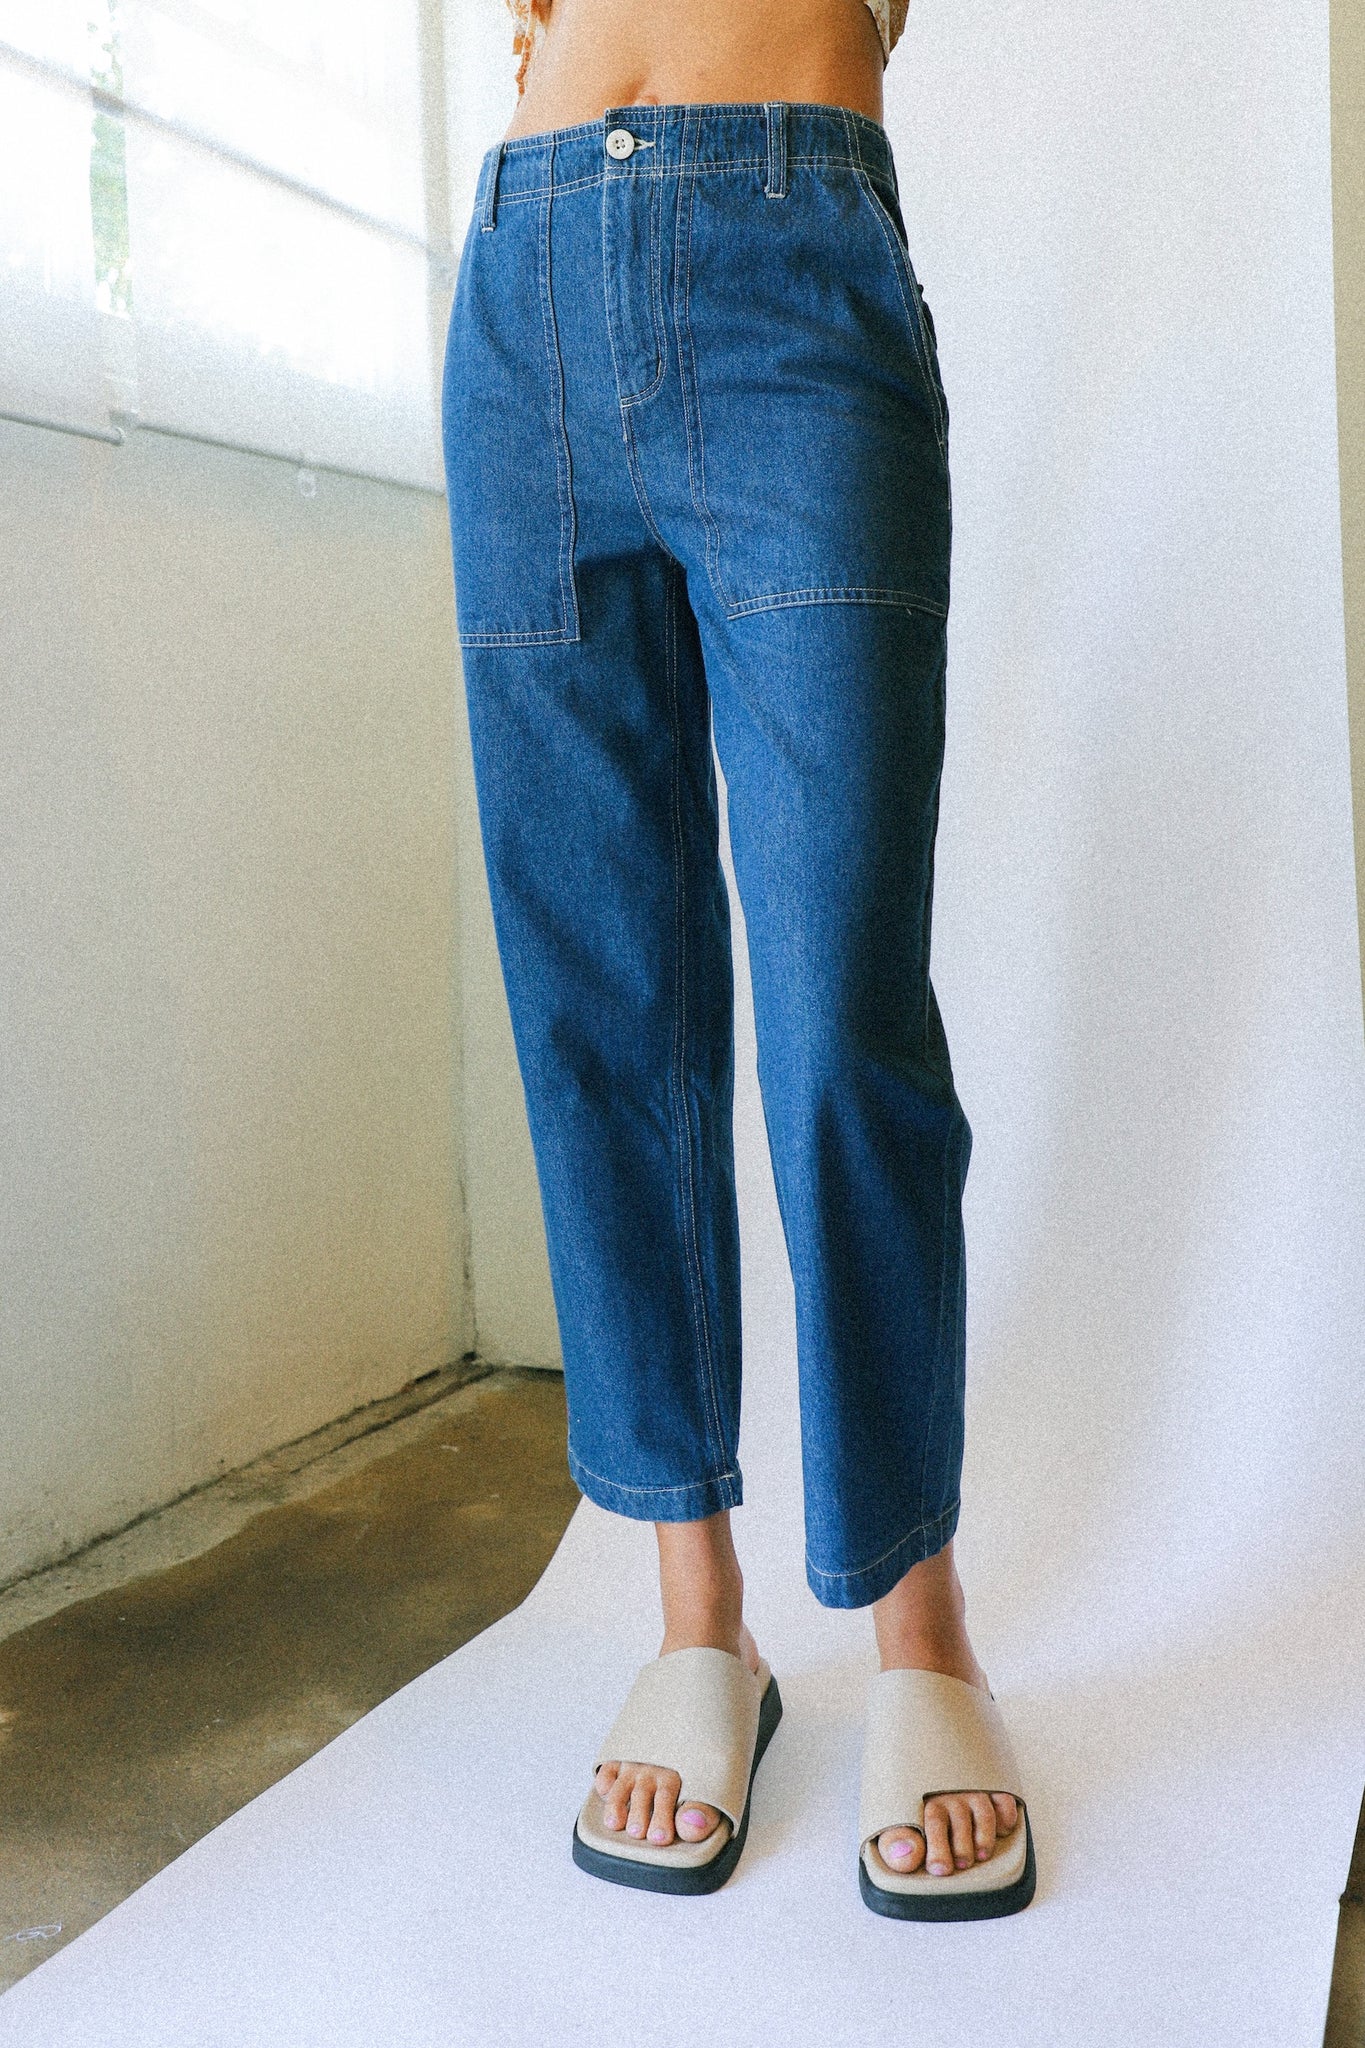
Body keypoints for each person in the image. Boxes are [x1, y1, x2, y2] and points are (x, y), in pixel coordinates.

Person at [441, 0, 1034, 1918]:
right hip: (526, 278)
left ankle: (920, 1627)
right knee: (599, 1011)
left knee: (844, 1015)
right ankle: (696, 1616)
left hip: (792, 259)